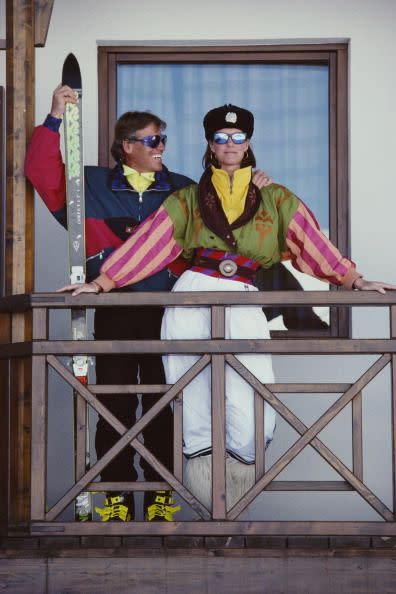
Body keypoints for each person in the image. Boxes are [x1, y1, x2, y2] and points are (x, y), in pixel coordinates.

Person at [58, 103, 396, 511]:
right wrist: (102, 282)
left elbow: (311, 241)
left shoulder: (275, 196)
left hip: (243, 294)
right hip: (193, 293)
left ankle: (236, 488)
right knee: (187, 393)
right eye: (221, 138)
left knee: (249, 390)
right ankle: (193, 495)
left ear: (248, 143)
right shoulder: (187, 196)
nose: (230, 144)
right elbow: (150, 244)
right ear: (210, 145)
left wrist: (353, 279)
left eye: (238, 138)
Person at [25, 85, 197, 522]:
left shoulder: (183, 190)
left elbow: (228, 214)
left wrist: (254, 177)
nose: (161, 147)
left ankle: (161, 498)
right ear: (127, 146)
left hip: (168, 312)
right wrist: (54, 117)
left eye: (163, 140)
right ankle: (116, 497)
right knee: (114, 406)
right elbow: (42, 173)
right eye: (152, 140)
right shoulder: (91, 184)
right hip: (114, 306)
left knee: (163, 405)